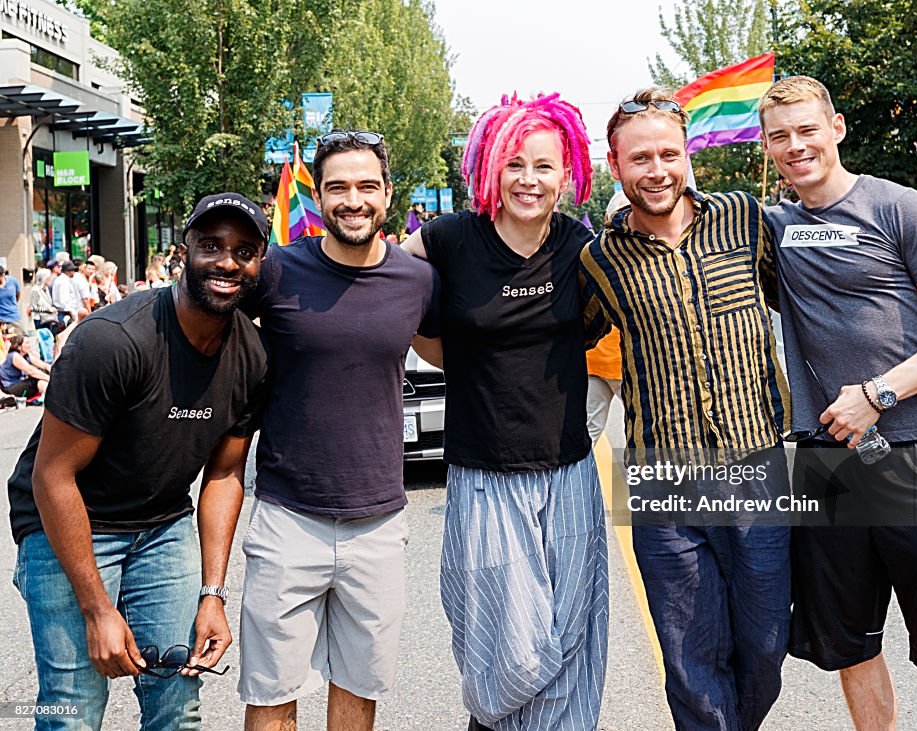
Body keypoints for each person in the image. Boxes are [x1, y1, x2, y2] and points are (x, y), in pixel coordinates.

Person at [759, 75, 917, 731]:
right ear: (768, 146)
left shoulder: (901, 208)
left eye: (807, 129)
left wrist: (878, 393)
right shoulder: (773, 228)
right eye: (780, 136)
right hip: (827, 466)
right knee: (850, 648)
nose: (795, 145)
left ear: (836, 129)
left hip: (916, 457)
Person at [7, 192, 270, 730]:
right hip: (70, 519)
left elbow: (223, 474)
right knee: (72, 705)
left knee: (176, 695)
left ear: (259, 264)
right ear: (183, 252)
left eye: (243, 251)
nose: (227, 262)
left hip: (161, 522)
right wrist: (98, 610)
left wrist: (213, 594)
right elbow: (53, 476)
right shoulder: (112, 341)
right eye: (211, 246)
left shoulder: (252, 355)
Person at [579, 88, 791, 731]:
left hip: (756, 464)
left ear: (688, 153)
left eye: (668, 153)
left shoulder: (746, 219)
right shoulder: (600, 258)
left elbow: (811, 300)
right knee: (689, 655)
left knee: (765, 642)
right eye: (639, 158)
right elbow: (553, 343)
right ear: (616, 167)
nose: (657, 169)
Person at [403, 92, 608, 731]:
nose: (529, 179)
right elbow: (387, 292)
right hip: (483, 473)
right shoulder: (444, 241)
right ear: (488, 166)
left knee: (571, 633)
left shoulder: (583, 247)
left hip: (569, 470)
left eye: (544, 166)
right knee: (509, 643)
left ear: (568, 173)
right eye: (513, 163)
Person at [239, 130, 439, 731]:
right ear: (318, 197)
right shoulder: (275, 272)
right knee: (271, 694)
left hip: (377, 523)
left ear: (386, 193)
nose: (353, 200)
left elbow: (458, 355)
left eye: (366, 186)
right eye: (338, 187)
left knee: (358, 691)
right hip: (286, 517)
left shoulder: (416, 281)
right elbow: (209, 337)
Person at [584, 191, 628, 447]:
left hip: (595, 362)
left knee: (587, 432)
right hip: (620, 364)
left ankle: (577, 486)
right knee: (643, 430)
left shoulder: (590, 253)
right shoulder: (641, 254)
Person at [0, 332, 50, 399]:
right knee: (36, 380)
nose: (30, 345)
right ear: (19, 346)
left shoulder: (26, 356)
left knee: (43, 374)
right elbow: (32, 372)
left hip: (19, 383)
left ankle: (53, 397)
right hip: (10, 387)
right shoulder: (14, 355)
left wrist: (53, 372)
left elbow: (44, 365)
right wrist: (50, 379)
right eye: (27, 343)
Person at [29, 270, 62, 335]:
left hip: (48, 319)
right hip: (40, 320)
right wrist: (47, 310)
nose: (49, 280)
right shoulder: (35, 290)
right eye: (48, 278)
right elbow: (33, 307)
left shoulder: (46, 289)